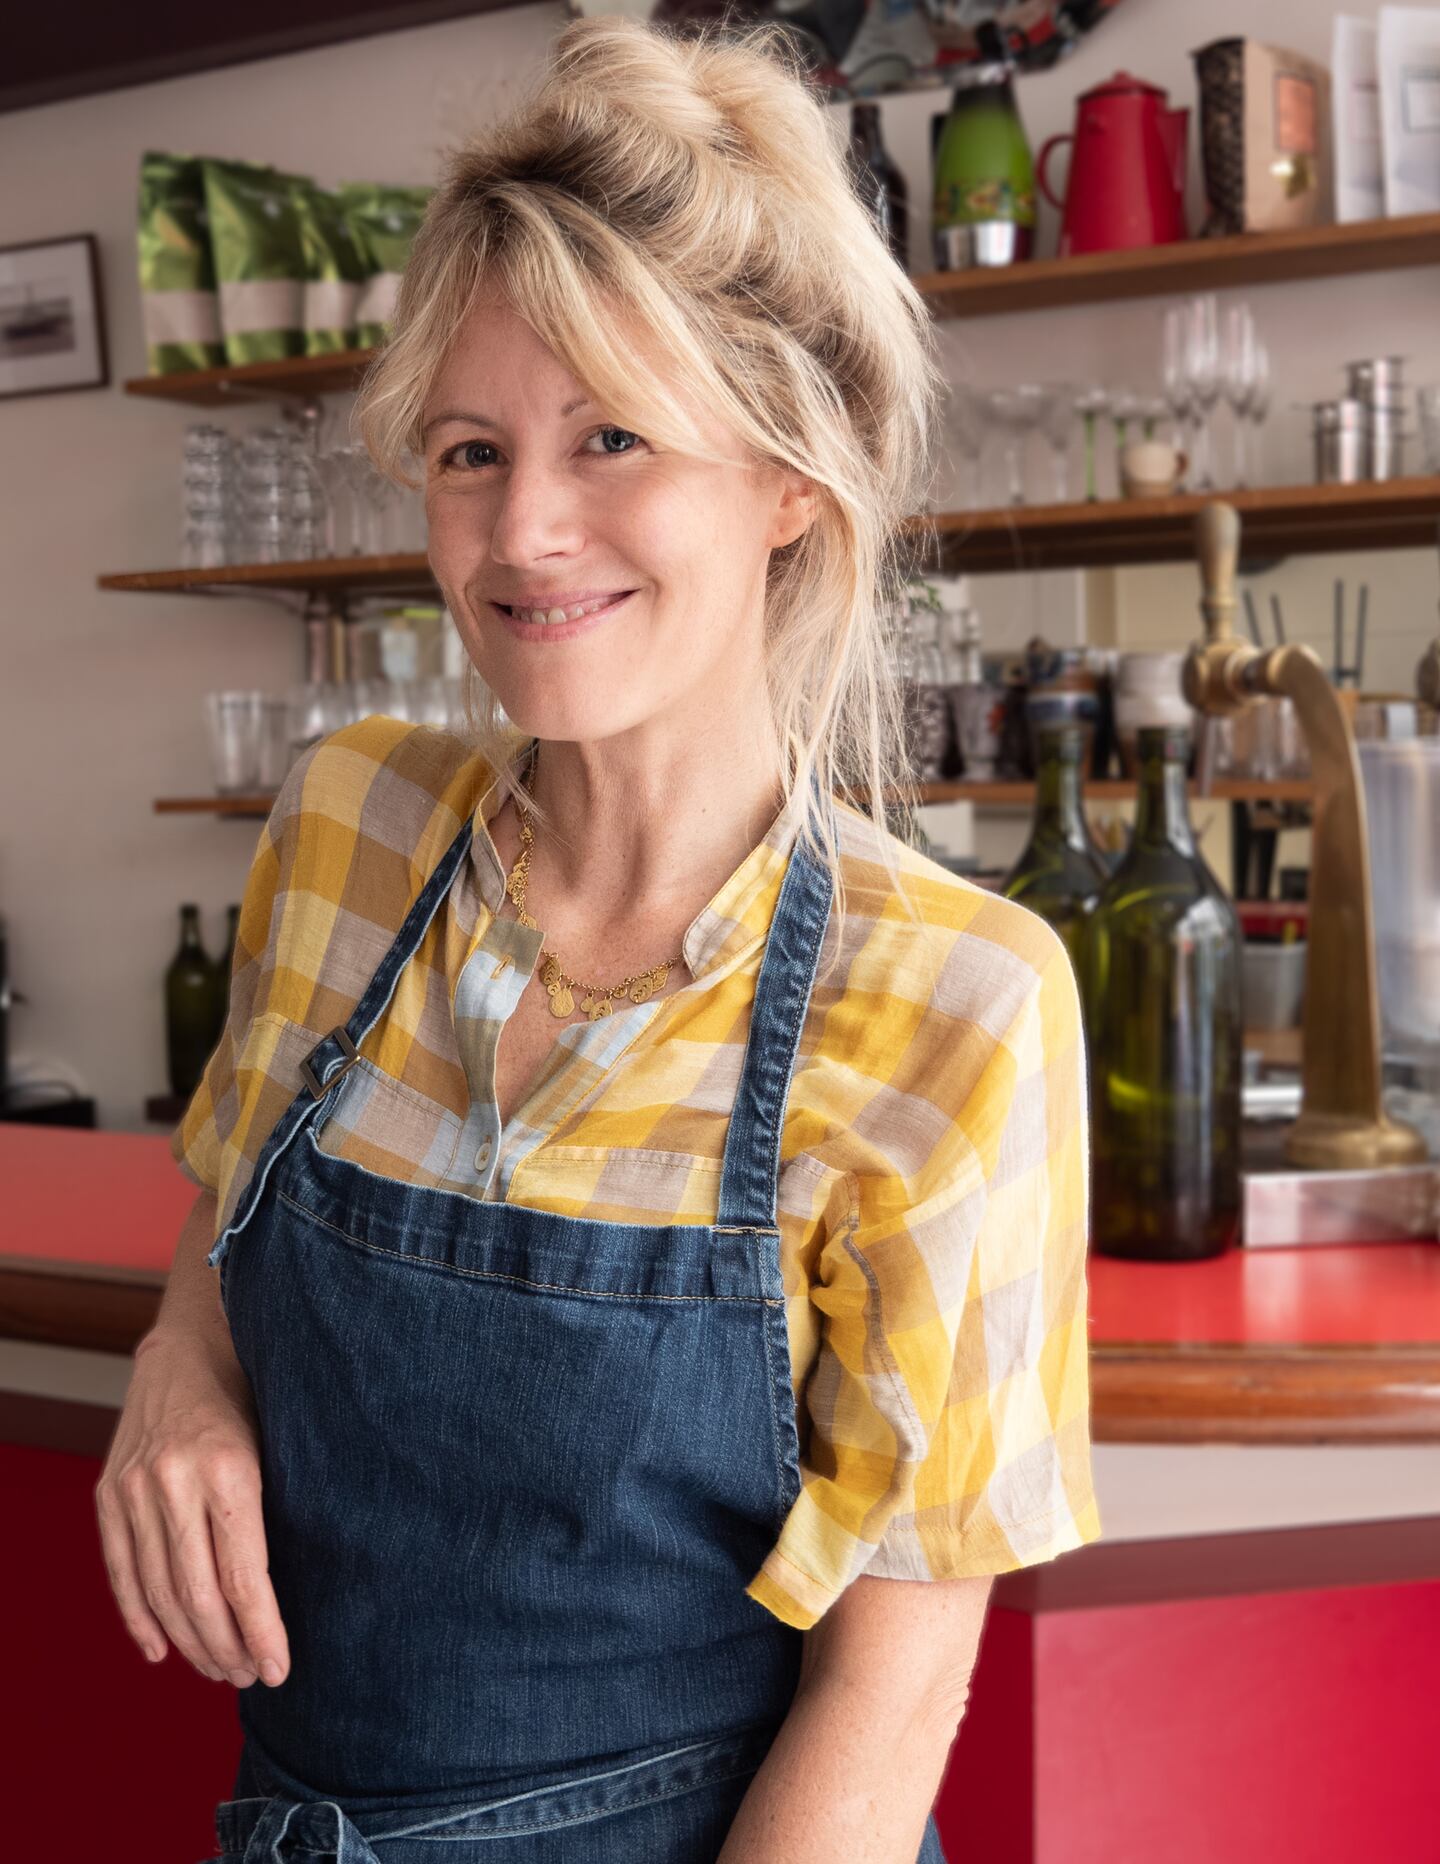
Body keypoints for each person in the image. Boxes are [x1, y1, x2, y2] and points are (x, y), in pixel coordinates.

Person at [96, 16, 1100, 1861]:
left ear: (793, 479)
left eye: (612, 436)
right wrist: (177, 1376)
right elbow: (222, 1227)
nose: (523, 529)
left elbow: (896, 1678)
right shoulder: (351, 825)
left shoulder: (953, 1000)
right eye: (470, 450)